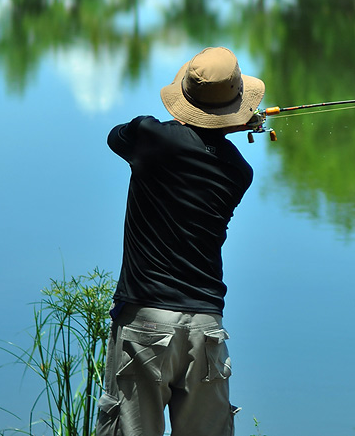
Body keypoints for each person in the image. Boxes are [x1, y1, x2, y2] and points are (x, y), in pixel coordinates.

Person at [96, 46, 265, 436]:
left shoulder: (149, 137)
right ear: (236, 106)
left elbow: (115, 136)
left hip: (145, 322)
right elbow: (205, 149)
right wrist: (228, 128)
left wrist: (214, 122)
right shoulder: (239, 171)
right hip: (206, 326)